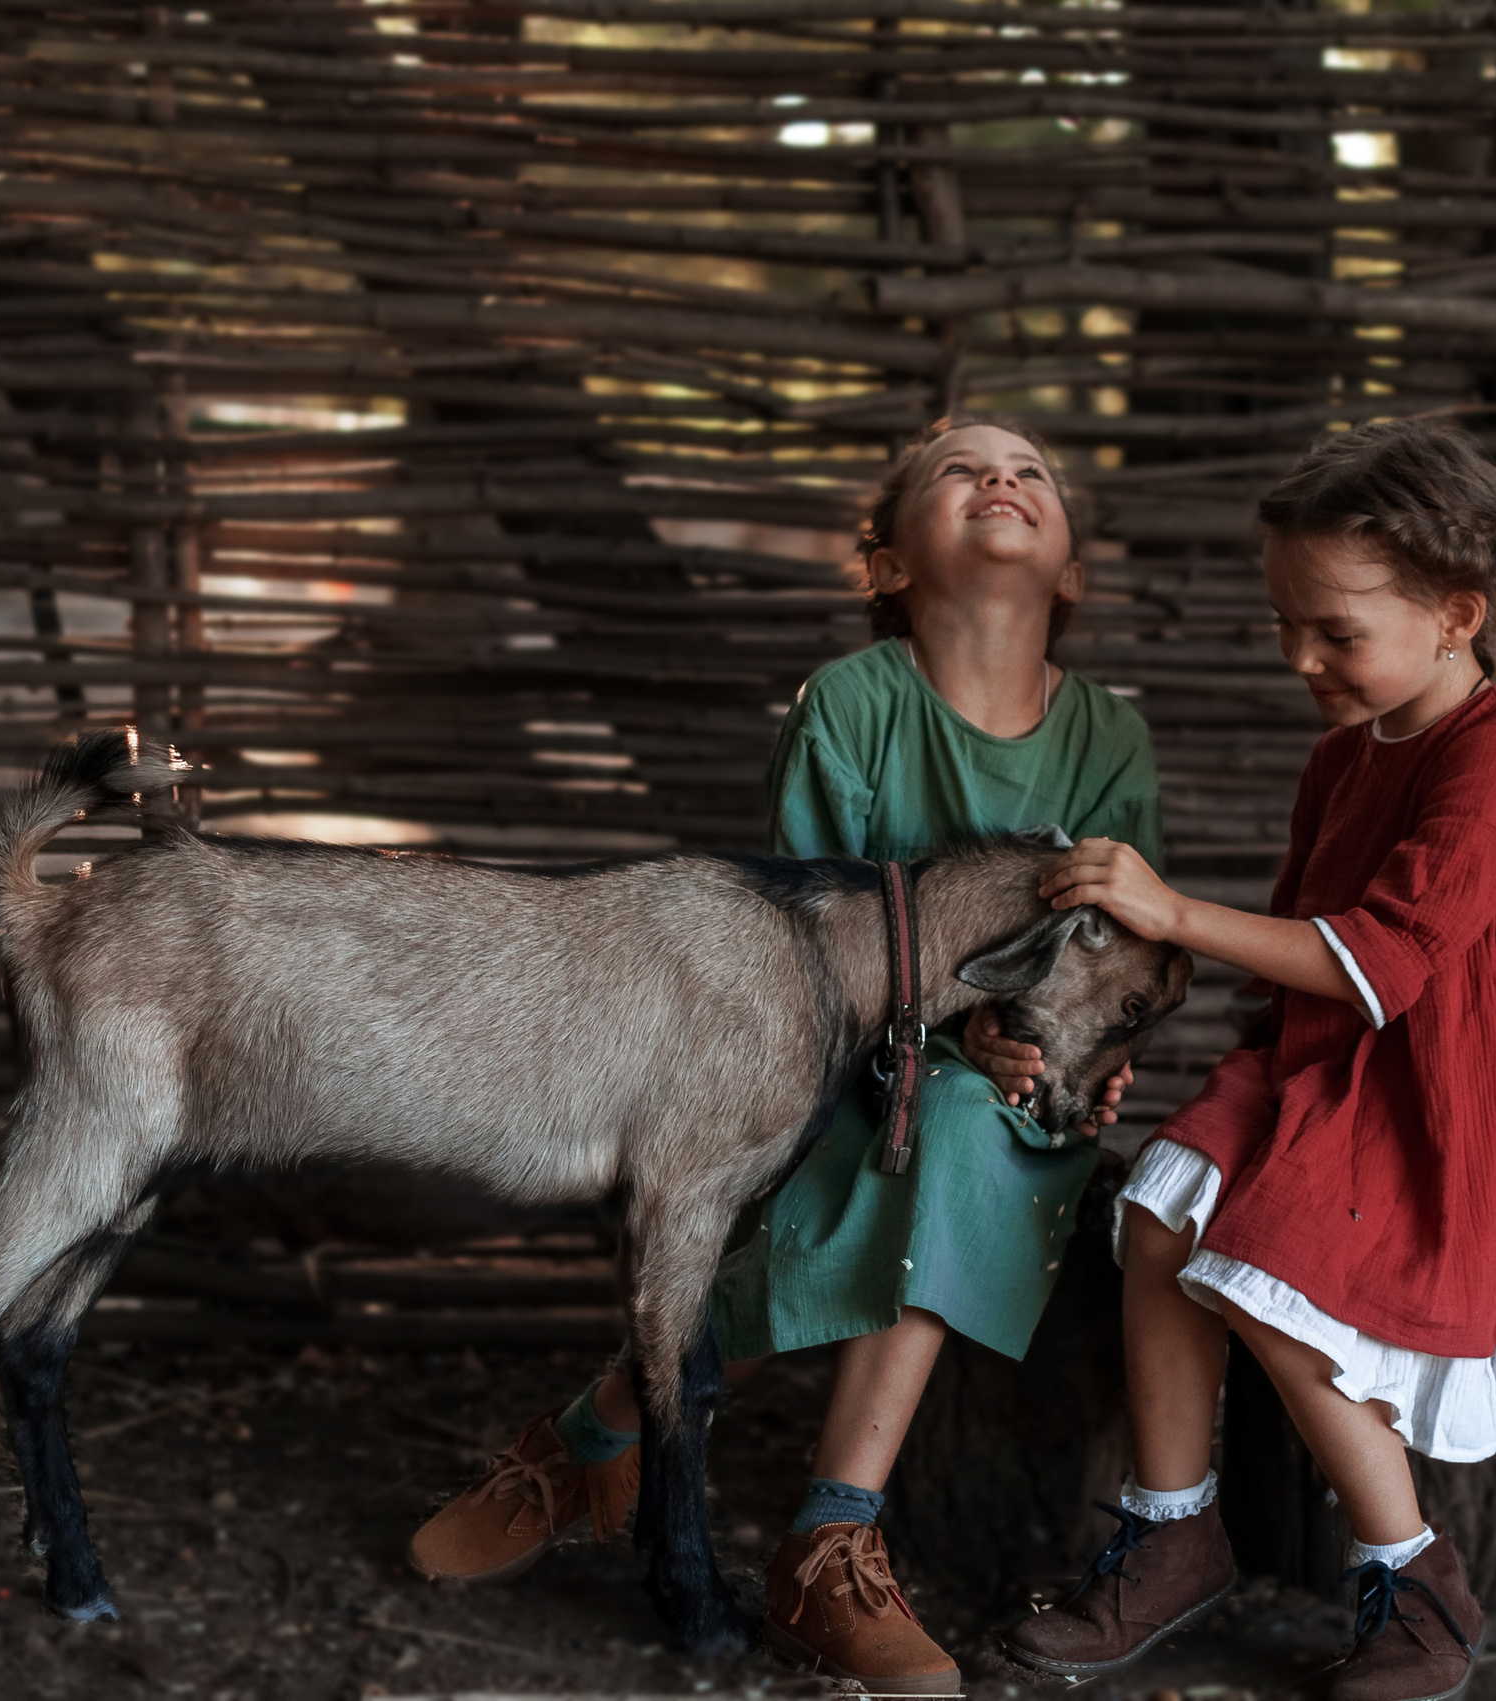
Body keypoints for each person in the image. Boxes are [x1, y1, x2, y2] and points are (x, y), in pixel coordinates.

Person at [404, 416, 1163, 1694]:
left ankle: (650, 1455)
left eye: (1031, 471)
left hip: (1018, 1085)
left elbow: (1123, 951)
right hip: (840, 1065)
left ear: (1073, 572)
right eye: (959, 471)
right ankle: (790, 1517)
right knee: (895, 1146)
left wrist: (1070, 1055)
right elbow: (801, 952)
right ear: (883, 565)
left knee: (971, 1132)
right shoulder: (851, 705)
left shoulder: (1110, 741)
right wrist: (943, 1037)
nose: (1000, 481)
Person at [1000, 420, 1496, 1701]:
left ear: (1454, 615)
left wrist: (1170, 909)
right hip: (1339, 1047)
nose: (1302, 658)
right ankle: (1173, 1529)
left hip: (1466, 1086)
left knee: (1263, 1281)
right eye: (1285, 624)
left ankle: (1415, 1585)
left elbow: (1385, 958)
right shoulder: (1338, 759)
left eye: (1336, 632)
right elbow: (1305, 954)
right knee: (1152, 1224)